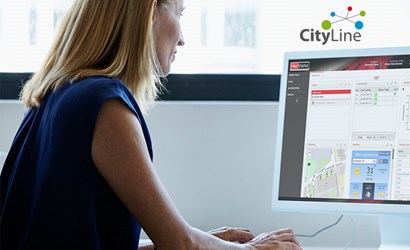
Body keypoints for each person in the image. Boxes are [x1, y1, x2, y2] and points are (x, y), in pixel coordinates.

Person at [0, 0, 302, 249]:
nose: (182, 38)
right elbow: (180, 245)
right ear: (149, 14)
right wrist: (250, 249)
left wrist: (204, 241)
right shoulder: (104, 104)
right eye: (179, 13)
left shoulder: (58, 95)